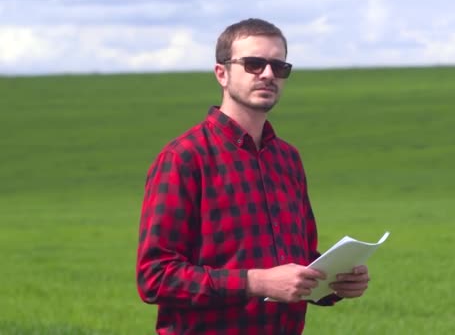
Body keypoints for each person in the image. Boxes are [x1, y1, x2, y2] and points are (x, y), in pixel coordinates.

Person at [136, 18, 370, 334]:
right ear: (222, 73)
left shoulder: (288, 159)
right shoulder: (184, 158)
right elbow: (156, 277)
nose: (268, 74)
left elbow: (297, 261)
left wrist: (335, 282)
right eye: (254, 64)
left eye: (279, 66)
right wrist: (257, 282)